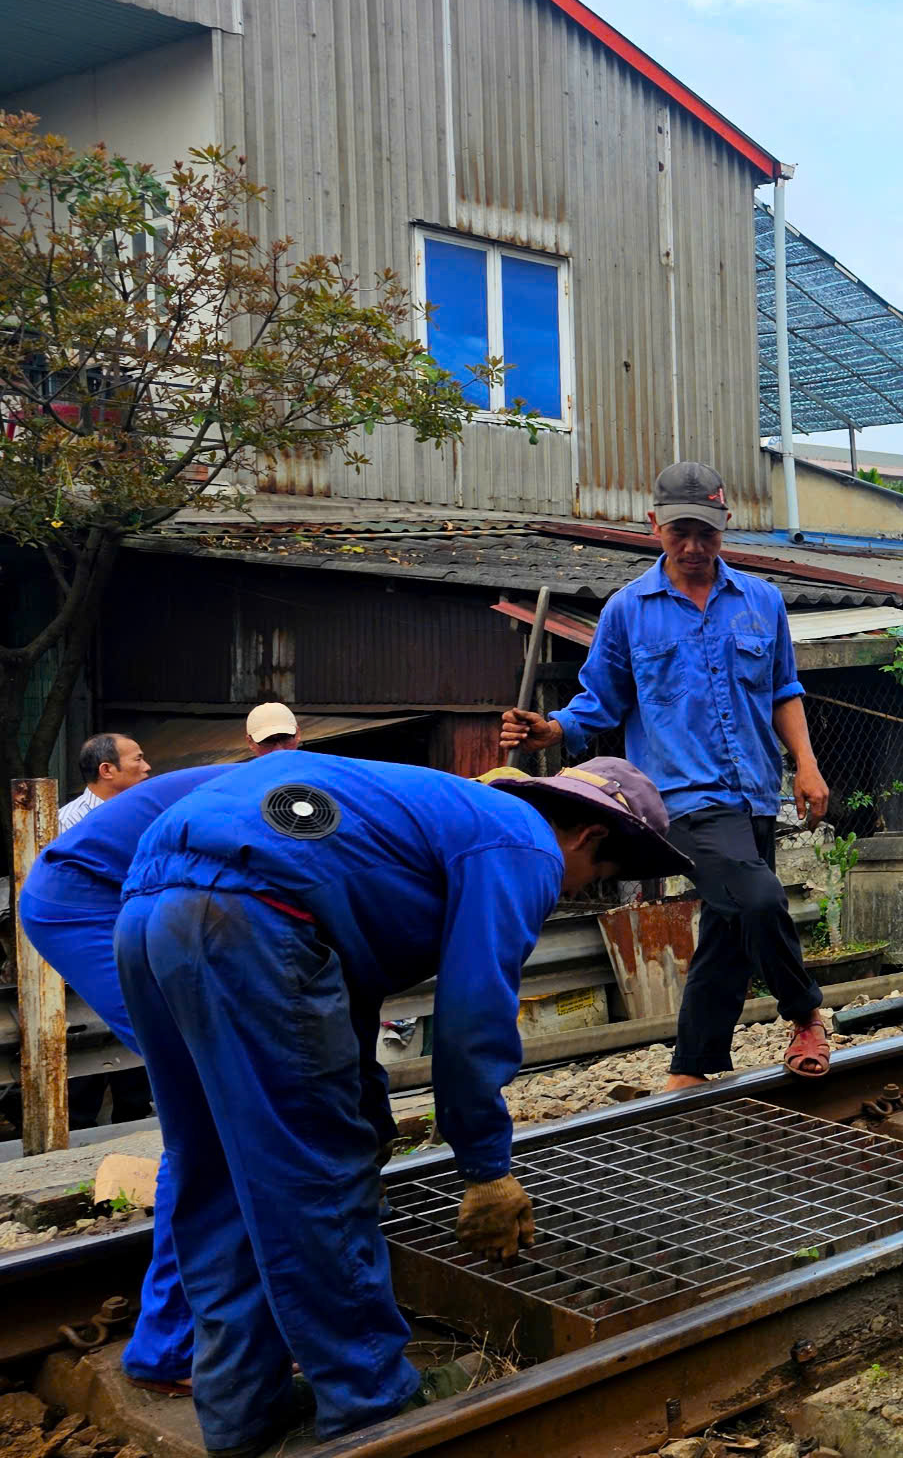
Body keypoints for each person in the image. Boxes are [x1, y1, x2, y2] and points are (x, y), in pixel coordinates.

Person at [115, 753, 688, 1451]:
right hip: (249, 921)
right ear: (589, 839)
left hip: (147, 912)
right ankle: (372, 1403)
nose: (575, 890)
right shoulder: (526, 842)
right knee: (316, 1179)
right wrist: (485, 1166)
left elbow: (334, 978)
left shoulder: (441, 812)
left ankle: (243, 1412)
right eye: (595, 878)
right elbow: (474, 1013)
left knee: (214, 1179)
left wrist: (365, 1106)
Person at [499, 461, 836, 1089]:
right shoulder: (629, 610)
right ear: (654, 525)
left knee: (730, 927)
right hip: (678, 799)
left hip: (755, 792)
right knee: (759, 897)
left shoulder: (761, 601)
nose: (693, 546)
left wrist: (807, 767)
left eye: (705, 533)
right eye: (680, 531)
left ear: (724, 527)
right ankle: (806, 1013)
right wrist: (553, 730)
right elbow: (599, 701)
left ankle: (693, 1068)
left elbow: (783, 690)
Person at [17, 765, 235, 1394]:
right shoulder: (331, 812)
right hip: (88, 902)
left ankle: (212, 1323)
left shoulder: (352, 802)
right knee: (215, 1112)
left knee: (230, 1107)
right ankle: (171, 1346)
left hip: (136, 900)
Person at [59, 732, 149, 831]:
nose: (147, 767)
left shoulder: (147, 810)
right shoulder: (67, 823)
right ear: (106, 770)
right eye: (138, 759)